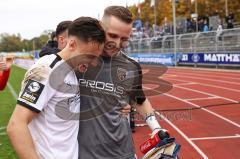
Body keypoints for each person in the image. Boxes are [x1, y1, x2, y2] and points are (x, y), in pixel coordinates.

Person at [7, 17, 106, 159]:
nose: (93, 63)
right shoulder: (46, 70)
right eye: (89, 56)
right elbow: (16, 126)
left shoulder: (71, 69)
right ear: (72, 44)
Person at [77, 6, 167, 159]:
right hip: (83, 154)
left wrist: (156, 128)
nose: (117, 43)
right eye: (112, 35)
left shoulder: (131, 66)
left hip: (124, 153)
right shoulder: (76, 62)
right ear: (99, 26)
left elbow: (139, 100)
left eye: (124, 39)